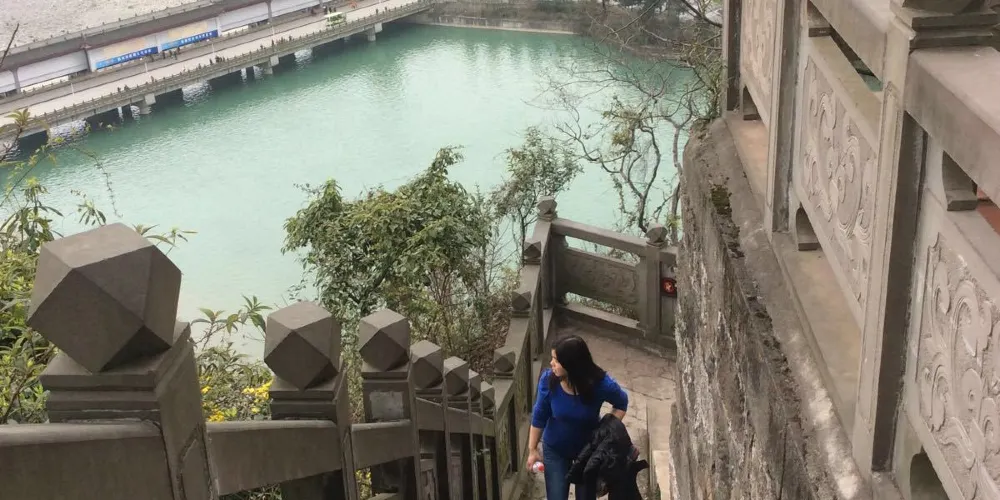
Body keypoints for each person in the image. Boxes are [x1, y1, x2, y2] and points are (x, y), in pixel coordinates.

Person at [527, 335, 629, 500]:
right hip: (556, 448)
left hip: (588, 452)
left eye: (556, 360)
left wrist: (606, 430)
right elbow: (539, 416)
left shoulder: (600, 384)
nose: (551, 363)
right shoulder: (548, 381)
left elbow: (621, 403)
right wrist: (532, 450)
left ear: (572, 364)